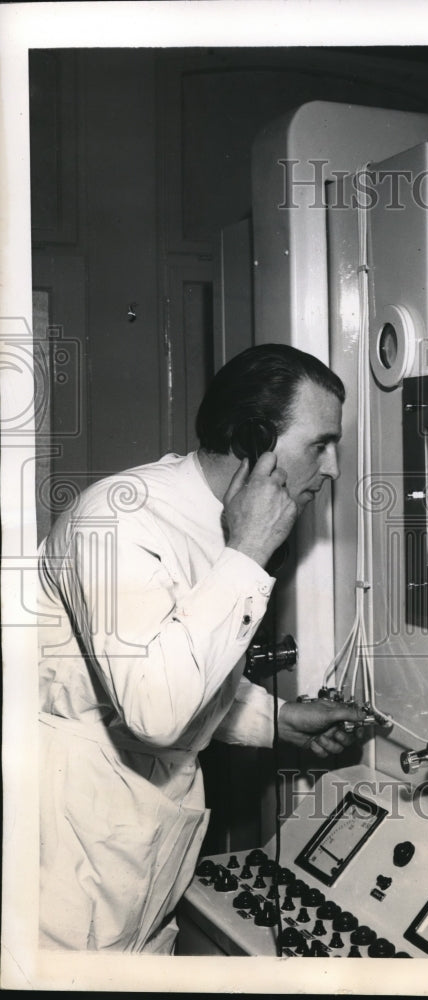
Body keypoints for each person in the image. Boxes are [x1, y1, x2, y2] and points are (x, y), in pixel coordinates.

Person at [37, 343, 363, 953]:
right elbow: (157, 711)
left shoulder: (223, 521)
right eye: (319, 444)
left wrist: (279, 720)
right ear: (256, 441)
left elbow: (186, 659)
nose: (333, 468)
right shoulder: (118, 521)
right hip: (66, 856)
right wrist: (246, 553)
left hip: (148, 855)